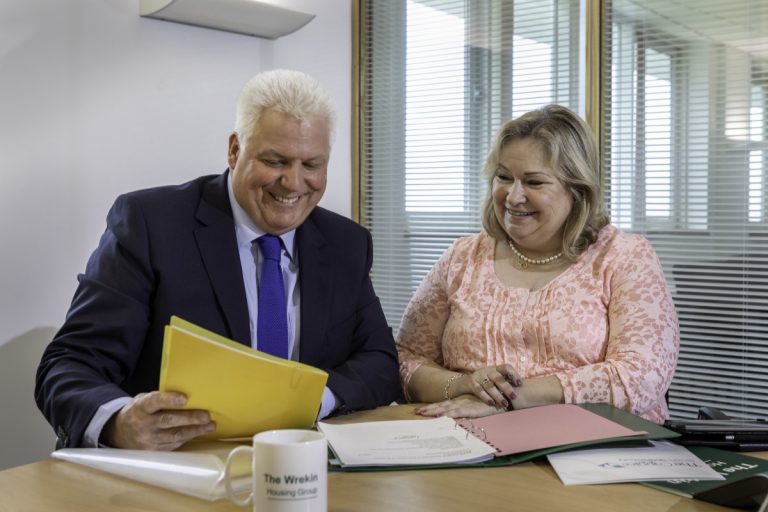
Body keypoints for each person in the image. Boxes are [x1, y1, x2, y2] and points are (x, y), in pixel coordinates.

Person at [35, 69, 401, 450]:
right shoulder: (150, 225)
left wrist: (312, 402)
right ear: (234, 150)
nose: (293, 183)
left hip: (298, 467)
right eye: (276, 161)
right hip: (174, 469)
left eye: (311, 165)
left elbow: (379, 360)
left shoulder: (347, 243)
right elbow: (68, 365)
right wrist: (119, 421)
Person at [396, 104, 679, 423]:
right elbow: (406, 357)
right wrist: (463, 385)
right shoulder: (462, 258)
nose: (514, 197)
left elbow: (642, 376)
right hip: (470, 443)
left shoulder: (624, 257)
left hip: (597, 451)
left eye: (534, 182)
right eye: (504, 177)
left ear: (577, 188)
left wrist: (510, 399)